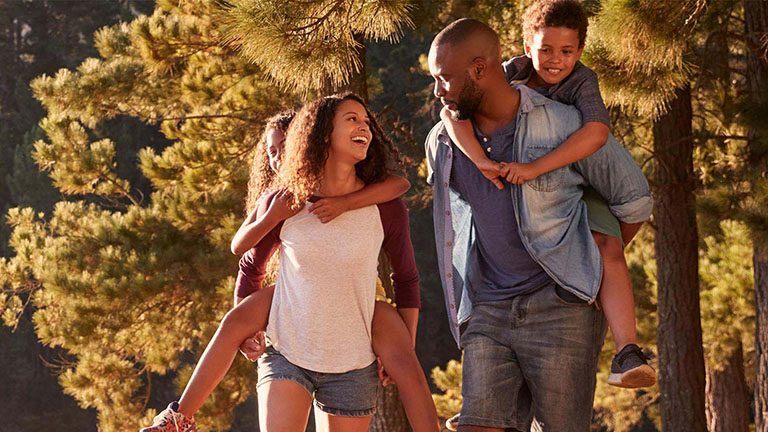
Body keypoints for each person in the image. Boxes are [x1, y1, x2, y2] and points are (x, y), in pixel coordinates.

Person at [141, 95, 439, 432]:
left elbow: (407, 278)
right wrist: (252, 332)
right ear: (323, 134)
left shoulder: (384, 205)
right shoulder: (286, 201)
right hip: (289, 345)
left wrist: (403, 345)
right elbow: (248, 262)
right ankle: (178, 419)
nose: (363, 127)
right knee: (237, 319)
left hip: (354, 352)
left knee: (403, 356)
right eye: (352, 119)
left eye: (366, 122)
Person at [425, 17, 654, 432]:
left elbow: (634, 198)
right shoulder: (442, 141)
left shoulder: (566, 124)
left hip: (561, 308)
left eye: (444, 78)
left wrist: (592, 261)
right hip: (487, 308)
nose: (438, 91)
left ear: (479, 68)